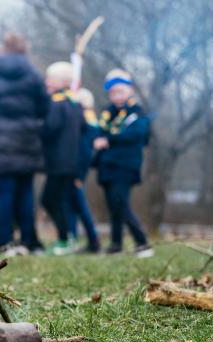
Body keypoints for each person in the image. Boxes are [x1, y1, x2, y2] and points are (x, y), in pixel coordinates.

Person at [0, 33, 49, 255]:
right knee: (26, 192)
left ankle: (5, 240)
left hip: (1, 137)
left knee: (4, 193)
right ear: (24, 49)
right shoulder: (33, 74)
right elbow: (44, 106)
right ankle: (29, 241)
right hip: (28, 138)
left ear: (5, 48)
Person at [93, 69, 153, 257]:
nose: (116, 96)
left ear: (130, 90)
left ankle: (142, 243)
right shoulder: (106, 114)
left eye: (120, 91)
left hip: (125, 165)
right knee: (113, 206)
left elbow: (137, 135)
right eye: (112, 93)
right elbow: (98, 134)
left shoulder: (137, 113)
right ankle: (116, 244)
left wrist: (109, 140)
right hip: (107, 166)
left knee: (121, 203)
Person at [39, 62, 85, 256]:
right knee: (59, 200)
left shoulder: (57, 103)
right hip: (70, 162)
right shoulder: (74, 104)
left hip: (58, 162)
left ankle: (64, 239)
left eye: (49, 78)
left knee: (49, 200)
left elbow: (49, 129)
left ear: (60, 82)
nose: (46, 82)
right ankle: (68, 238)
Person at [67, 88, 100, 253]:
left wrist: (78, 174)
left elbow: (85, 151)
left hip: (77, 171)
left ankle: (93, 240)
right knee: (73, 205)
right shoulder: (91, 120)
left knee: (80, 206)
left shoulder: (86, 122)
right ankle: (72, 237)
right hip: (78, 170)